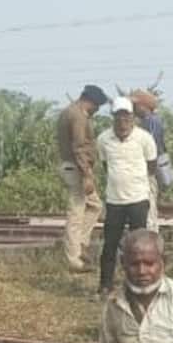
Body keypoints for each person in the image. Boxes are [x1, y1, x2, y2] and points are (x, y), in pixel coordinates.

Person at [96, 97, 159, 293]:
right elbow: (106, 165)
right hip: (114, 200)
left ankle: (137, 285)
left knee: (139, 245)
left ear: (132, 117)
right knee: (110, 245)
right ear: (113, 117)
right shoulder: (103, 139)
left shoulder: (144, 138)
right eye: (118, 116)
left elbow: (152, 165)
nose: (122, 121)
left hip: (138, 199)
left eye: (126, 116)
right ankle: (105, 285)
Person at [54, 84, 109, 273]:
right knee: (76, 212)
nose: (97, 110)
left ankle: (81, 244)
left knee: (95, 205)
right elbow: (78, 147)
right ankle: (74, 259)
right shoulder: (78, 116)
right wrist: (87, 175)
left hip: (73, 166)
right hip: (76, 167)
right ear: (90, 102)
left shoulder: (69, 112)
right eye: (97, 106)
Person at [129, 89, 173, 230]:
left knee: (148, 203)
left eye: (135, 105)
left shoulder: (151, 122)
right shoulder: (148, 121)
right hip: (147, 169)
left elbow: (151, 147)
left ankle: (150, 234)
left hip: (149, 170)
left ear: (144, 106)